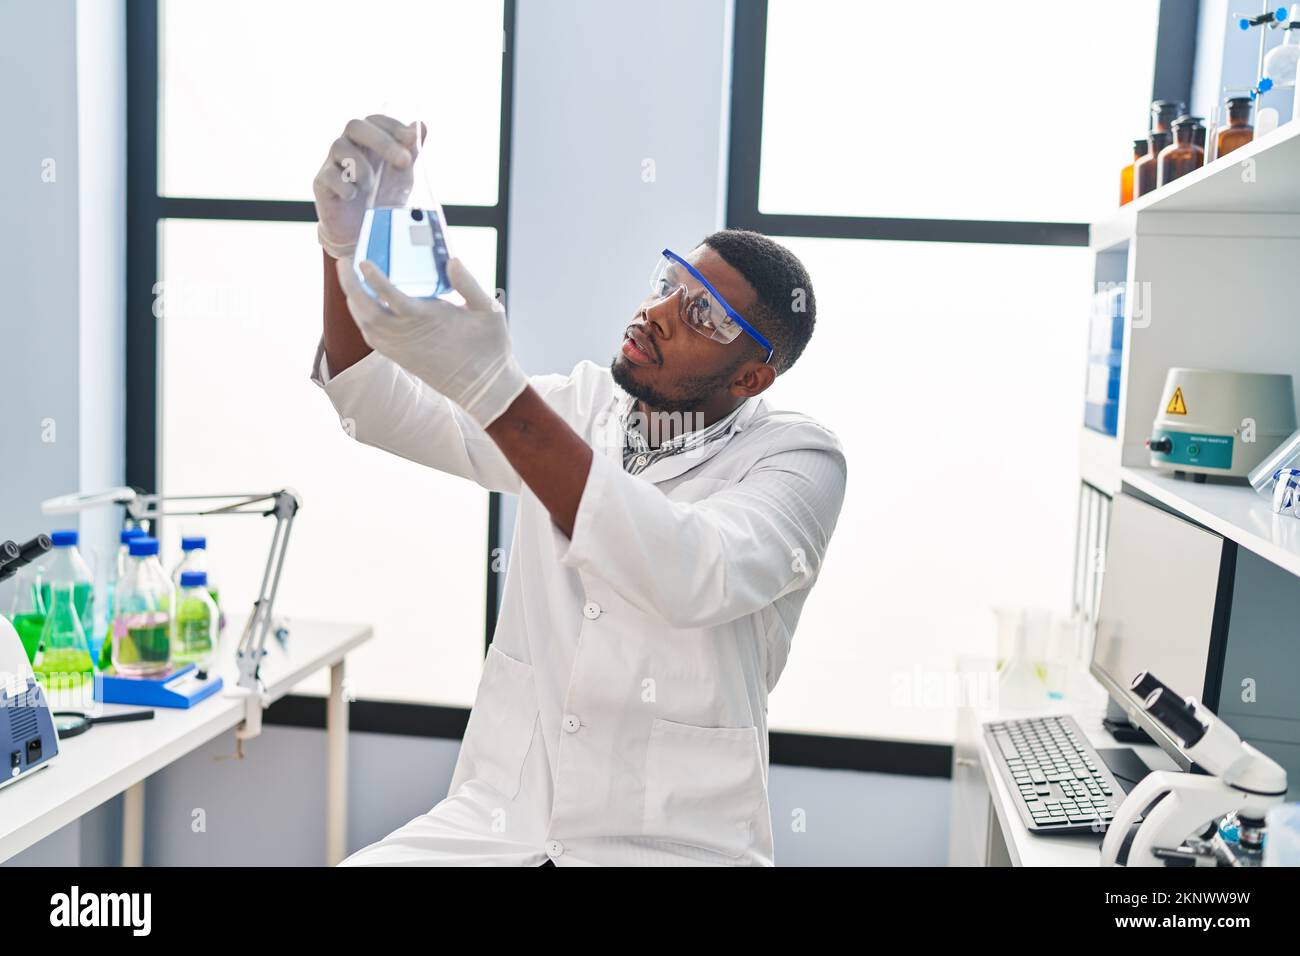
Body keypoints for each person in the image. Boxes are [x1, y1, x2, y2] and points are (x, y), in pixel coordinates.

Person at [312, 115, 846, 866]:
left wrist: (496, 389)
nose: (656, 314)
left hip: (675, 846)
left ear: (751, 375)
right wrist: (343, 249)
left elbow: (695, 570)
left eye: (699, 313)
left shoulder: (799, 459)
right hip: (502, 821)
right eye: (668, 283)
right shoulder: (578, 408)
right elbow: (374, 402)